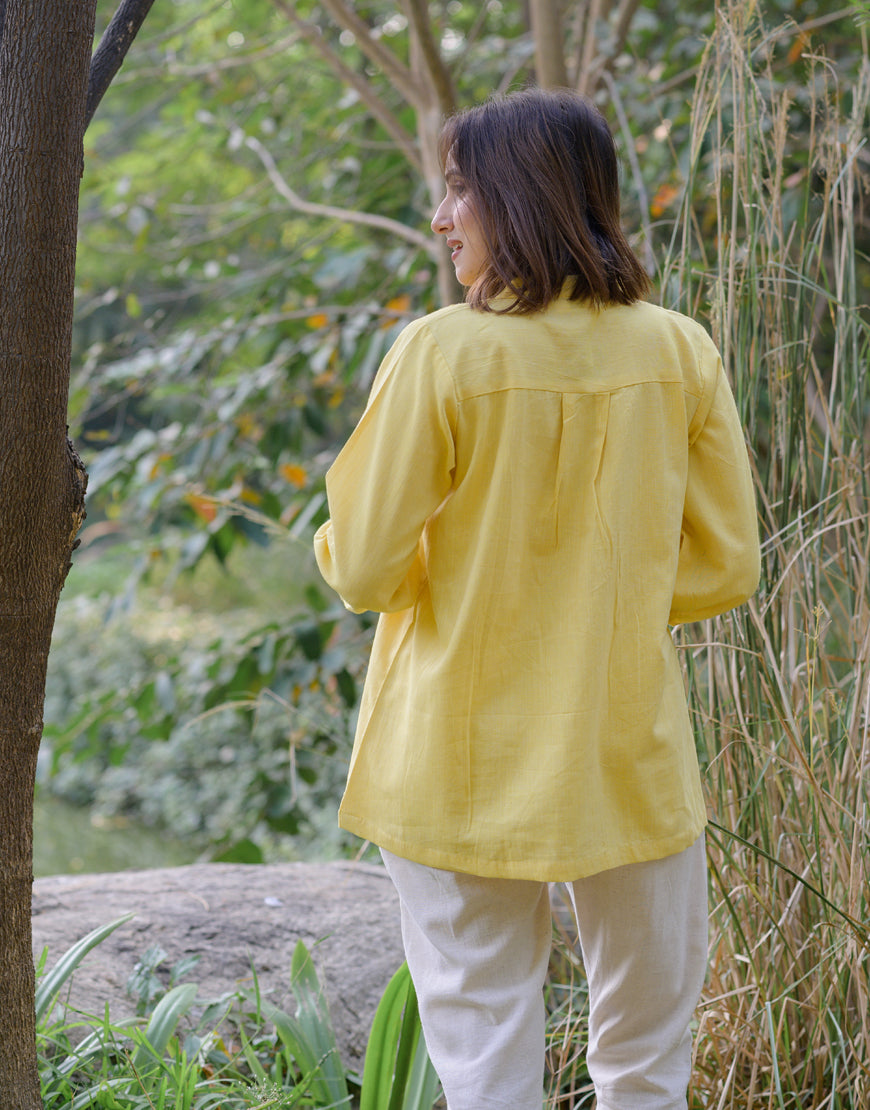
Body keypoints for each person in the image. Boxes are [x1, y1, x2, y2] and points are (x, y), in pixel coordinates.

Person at [313, 87, 760, 1110]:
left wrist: (372, 553)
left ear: (518, 197)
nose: (441, 218)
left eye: (459, 189)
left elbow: (366, 567)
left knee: (484, 1065)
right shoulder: (679, 350)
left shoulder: (441, 354)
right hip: (625, 752)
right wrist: (605, 601)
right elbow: (726, 565)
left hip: (452, 759)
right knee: (648, 1065)